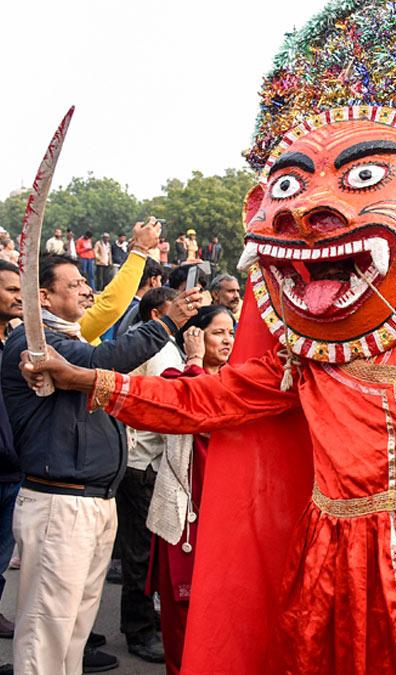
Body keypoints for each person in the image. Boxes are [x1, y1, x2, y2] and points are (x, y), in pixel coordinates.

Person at [21, 2, 396, 668]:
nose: (308, 210)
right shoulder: (305, 355)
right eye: (289, 186)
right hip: (336, 559)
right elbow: (207, 400)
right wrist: (90, 378)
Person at [2, 255, 199, 674]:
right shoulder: (32, 343)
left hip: (94, 499)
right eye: (73, 285)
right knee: (46, 629)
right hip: (60, 502)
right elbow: (100, 363)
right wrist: (166, 324)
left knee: (74, 627)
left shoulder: (72, 339)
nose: (85, 290)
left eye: (82, 283)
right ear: (44, 297)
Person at [145, 304, 235, 673]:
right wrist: (195, 362)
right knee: (181, 616)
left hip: (228, 518)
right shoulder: (175, 377)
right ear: (194, 336)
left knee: (225, 614)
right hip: (184, 516)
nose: (228, 340)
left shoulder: (239, 381)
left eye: (231, 332)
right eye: (218, 332)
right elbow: (194, 410)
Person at [114, 287, 182, 665]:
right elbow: (164, 403)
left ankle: (145, 619)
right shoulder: (157, 348)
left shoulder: (163, 344)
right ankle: (138, 630)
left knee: (149, 549)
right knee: (139, 552)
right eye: (180, 308)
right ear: (158, 314)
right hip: (142, 463)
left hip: (152, 461)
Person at [0, 261, 21, 650]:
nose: (20, 296)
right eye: (9, 289)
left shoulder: (17, 341)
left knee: (1, 556)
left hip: (13, 469)